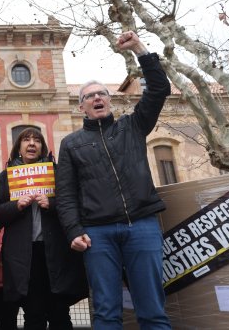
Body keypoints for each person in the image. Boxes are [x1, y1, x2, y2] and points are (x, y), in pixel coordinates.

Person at [56, 31, 172, 329]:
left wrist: (140, 49)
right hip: (98, 235)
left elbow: (158, 90)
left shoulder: (132, 126)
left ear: (110, 101)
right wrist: (73, 231)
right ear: (80, 107)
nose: (97, 97)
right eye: (89, 96)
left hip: (142, 227)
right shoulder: (71, 143)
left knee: (152, 310)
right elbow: (66, 194)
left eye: (101, 94)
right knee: (106, 312)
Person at [0, 128, 87, 330]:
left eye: (37, 140)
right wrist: (16, 206)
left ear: (43, 147)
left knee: (59, 313)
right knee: (33, 315)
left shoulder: (58, 172)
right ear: (19, 147)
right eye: (26, 140)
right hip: (23, 257)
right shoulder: (6, 177)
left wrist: (52, 204)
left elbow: (75, 204)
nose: (32, 143)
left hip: (56, 253)